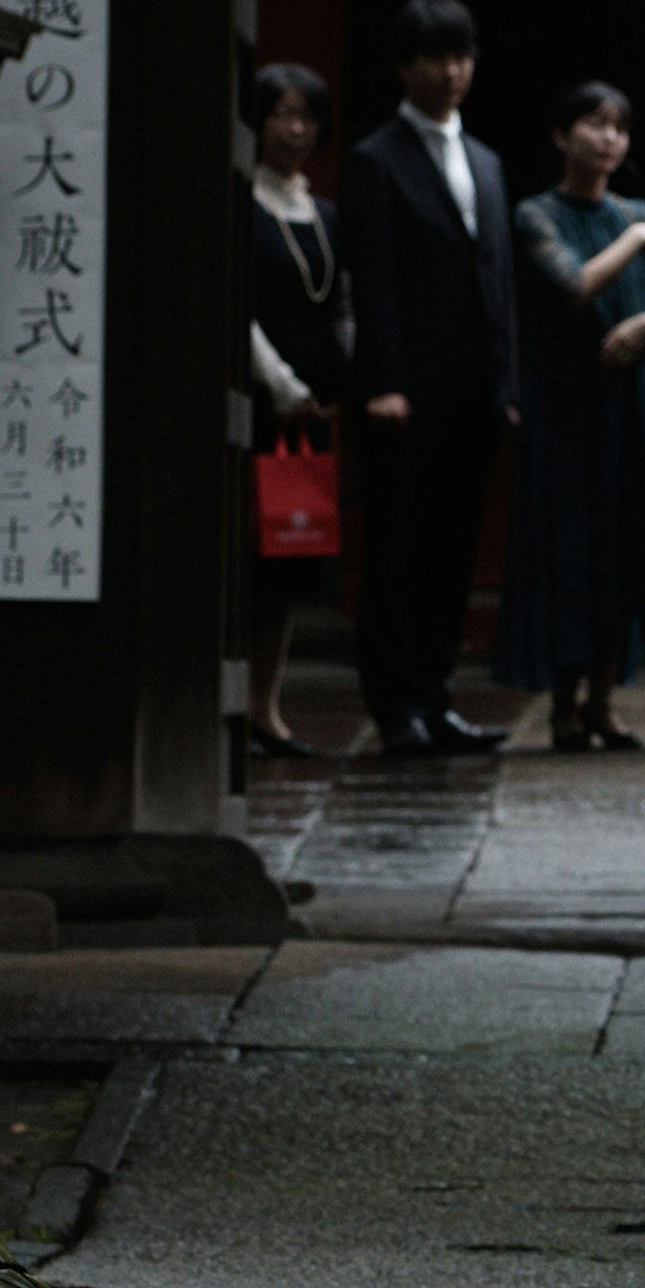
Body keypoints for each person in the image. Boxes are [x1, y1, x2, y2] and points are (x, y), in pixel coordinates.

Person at [341, 0, 518, 757]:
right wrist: (384, 381)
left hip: (473, 392)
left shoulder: (486, 161)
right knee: (397, 552)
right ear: (404, 66)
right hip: (404, 393)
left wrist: (506, 386)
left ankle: (438, 695)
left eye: (462, 56)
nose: (452, 72)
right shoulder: (375, 159)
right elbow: (371, 281)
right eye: (436, 58)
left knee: (453, 551)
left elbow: (499, 282)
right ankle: (395, 704)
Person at [504, 71, 645, 748]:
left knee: (620, 545)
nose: (609, 138)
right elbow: (572, 283)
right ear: (560, 135)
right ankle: (564, 704)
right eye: (595, 124)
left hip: (624, 404)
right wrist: (640, 239)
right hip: (563, 404)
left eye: (618, 127)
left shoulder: (633, 213)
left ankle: (605, 700)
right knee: (568, 547)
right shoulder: (538, 213)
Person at [241, 57, 350, 763]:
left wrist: (332, 386)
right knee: (245, 557)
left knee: (288, 565)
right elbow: (238, 312)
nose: (294, 128)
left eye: (306, 116)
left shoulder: (326, 212)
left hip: (315, 404)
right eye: (281, 113)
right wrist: (281, 387)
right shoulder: (240, 202)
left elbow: (343, 305)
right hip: (257, 400)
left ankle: (266, 707)